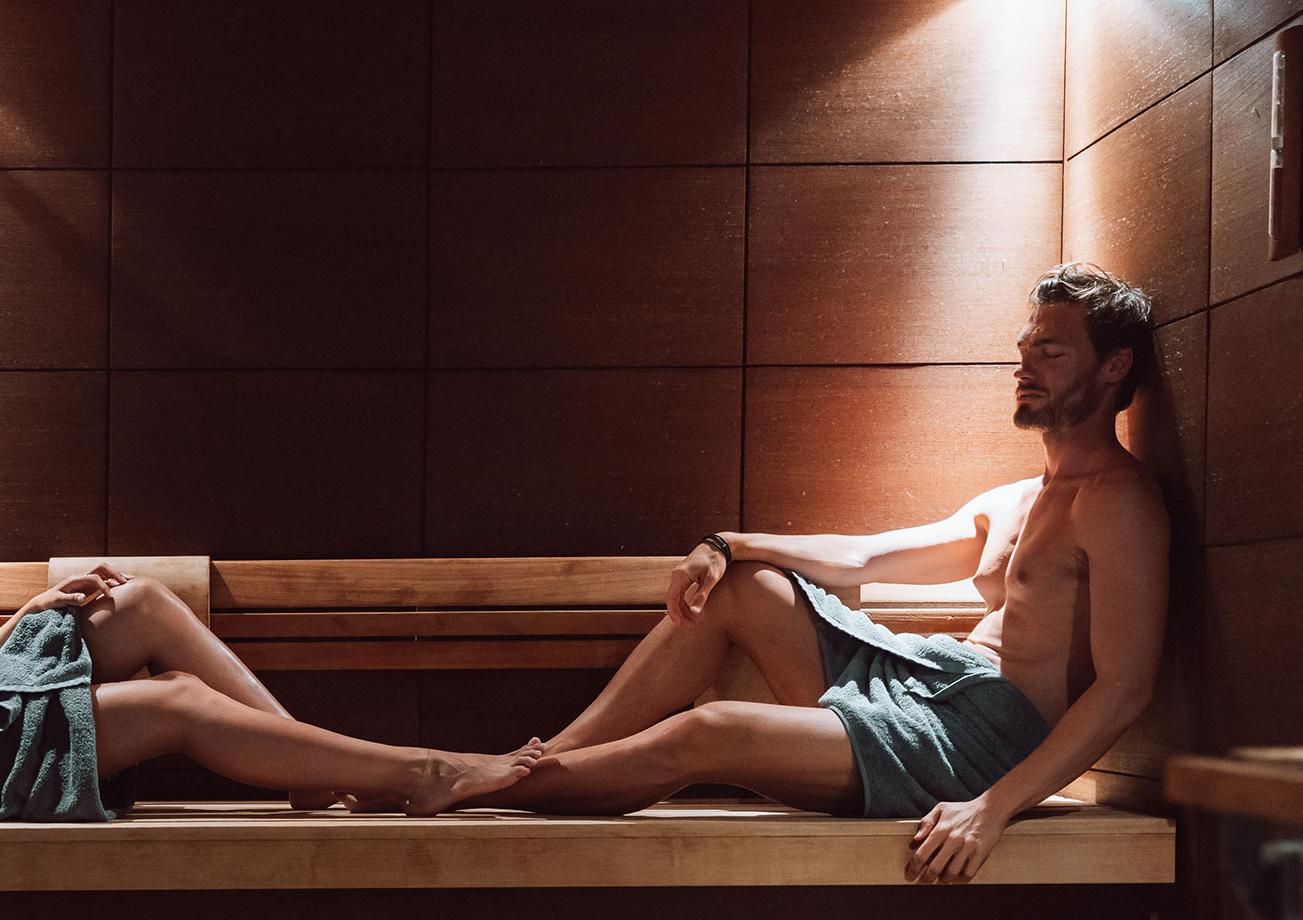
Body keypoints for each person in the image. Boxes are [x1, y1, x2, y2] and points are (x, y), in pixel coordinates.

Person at [382, 262, 1169, 886]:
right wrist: (723, 540)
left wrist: (991, 810)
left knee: (711, 726)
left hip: (986, 744)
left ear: (1113, 367)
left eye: (1051, 350)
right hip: (934, 684)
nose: (1023, 365)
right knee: (740, 588)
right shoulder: (1018, 498)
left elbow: (1125, 688)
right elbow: (859, 556)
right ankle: (539, 758)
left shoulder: (1118, 502)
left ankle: (471, 782)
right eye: (1024, 347)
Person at [0, 368, 542, 863]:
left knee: (142, 599)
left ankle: (317, 775)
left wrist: (33, 609)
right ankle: (420, 770)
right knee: (176, 700)